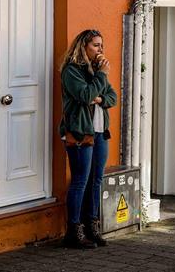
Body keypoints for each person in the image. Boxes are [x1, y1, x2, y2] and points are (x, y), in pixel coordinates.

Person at [59, 29, 117, 249]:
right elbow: (84, 96)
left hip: (100, 131)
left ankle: (92, 226)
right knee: (80, 180)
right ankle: (73, 231)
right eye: (95, 45)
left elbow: (112, 97)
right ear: (83, 46)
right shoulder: (71, 71)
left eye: (101, 45)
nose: (100, 49)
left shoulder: (95, 70)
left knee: (96, 180)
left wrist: (99, 96)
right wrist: (100, 76)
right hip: (80, 132)